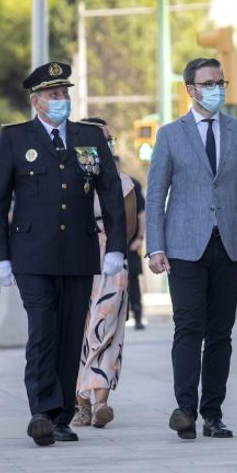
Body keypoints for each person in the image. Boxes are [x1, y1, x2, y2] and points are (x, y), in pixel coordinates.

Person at [0, 62, 127, 446]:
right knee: (43, 332)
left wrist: (116, 246)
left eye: (65, 93)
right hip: (32, 255)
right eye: (53, 94)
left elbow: (111, 193)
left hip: (79, 253)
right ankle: (41, 413)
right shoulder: (15, 139)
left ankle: (63, 415)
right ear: (36, 101)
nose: (61, 100)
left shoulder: (88, 137)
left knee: (69, 337)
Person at [146, 57, 237, 440]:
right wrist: (155, 246)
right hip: (184, 245)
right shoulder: (170, 134)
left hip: (231, 243)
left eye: (221, 81)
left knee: (220, 332)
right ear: (191, 89)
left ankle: (212, 413)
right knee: (188, 327)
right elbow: (155, 195)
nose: (217, 88)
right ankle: (184, 409)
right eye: (208, 83)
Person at [72, 116, 137, 429]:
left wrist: (114, 249)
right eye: (100, 138)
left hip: (110, 261)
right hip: (75, 258)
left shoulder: (123, 182)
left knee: (106, 329)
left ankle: (100, 402)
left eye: (109, 139)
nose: (106, 144)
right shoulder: (69, 178)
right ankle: (79, 404)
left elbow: (128, 227)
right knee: (77, 328)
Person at [127, 174, 146, 330]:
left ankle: (138, 315)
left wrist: (140, 237)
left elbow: (141, 213)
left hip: (130, 242)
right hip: (106, 243)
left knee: (133, 280)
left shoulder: (132, 184)